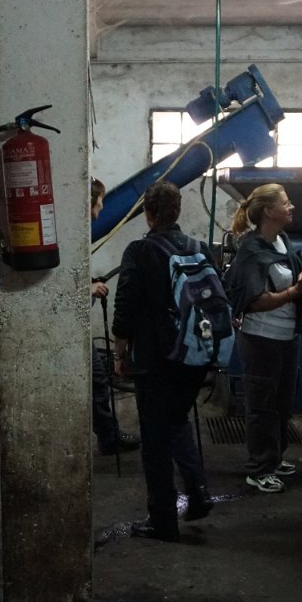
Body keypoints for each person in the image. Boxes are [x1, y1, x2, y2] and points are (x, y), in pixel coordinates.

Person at [112, 180, 213, 541]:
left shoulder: (140, 250)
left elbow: (124, 306)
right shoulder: (198, 248)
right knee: (177, 420)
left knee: (155, 439)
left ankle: (162, 520)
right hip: (194, 354)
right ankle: (198, 492)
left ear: (148, 213)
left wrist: (119, 353)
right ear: (178, 210)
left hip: (155, 359)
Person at [223, 183, 302, 494]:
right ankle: (259, 468)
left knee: (282, 403)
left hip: (286, 336)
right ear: (269, 211)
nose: (291, 207)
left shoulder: (283, 242)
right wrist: (294, 291)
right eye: (285, 203)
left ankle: (274, 457)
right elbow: (256, 301)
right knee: (262, 406)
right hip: (261, 338)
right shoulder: (251, 250)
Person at [89, 179, 140, 456]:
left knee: (98, 381)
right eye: (99, 203)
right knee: (97, 381)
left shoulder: (74, 233)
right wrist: (87, 289)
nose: (100, 210)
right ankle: (108, 438)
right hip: (67, 328)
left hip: (74, 326)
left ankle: (108, 436)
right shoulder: (68, 234)